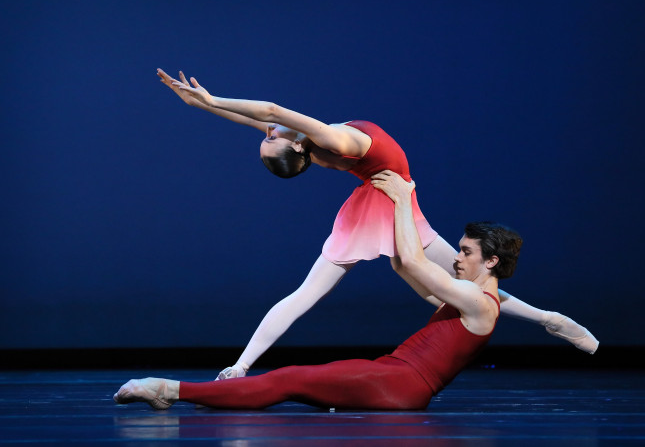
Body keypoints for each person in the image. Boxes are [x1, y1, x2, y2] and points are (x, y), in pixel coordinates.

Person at [156, 68, 598, 380]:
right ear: (292, 148)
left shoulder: (313, 145)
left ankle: (547, 318)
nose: (268, 133)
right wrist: (211, 101)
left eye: (268, 137)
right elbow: (268, 109)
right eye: (270, 138)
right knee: (427, 282)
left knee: (451, 282)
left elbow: (258, 115)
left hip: (386, 190)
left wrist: (204, 105)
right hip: (389, 192)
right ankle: (242, 365)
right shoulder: (329, 139)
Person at [113, 170, 520, 410]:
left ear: (491, 262)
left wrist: (401, 200)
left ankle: (169, 389)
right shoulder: (470, 297)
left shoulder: (477, 302)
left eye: (465, 253)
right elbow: (402, 264)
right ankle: (199, 392)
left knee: (289, 378)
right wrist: (383, 213)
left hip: (401, 384)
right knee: (299, 381)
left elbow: (414, 262)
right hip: (394, 376)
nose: (456, 259)